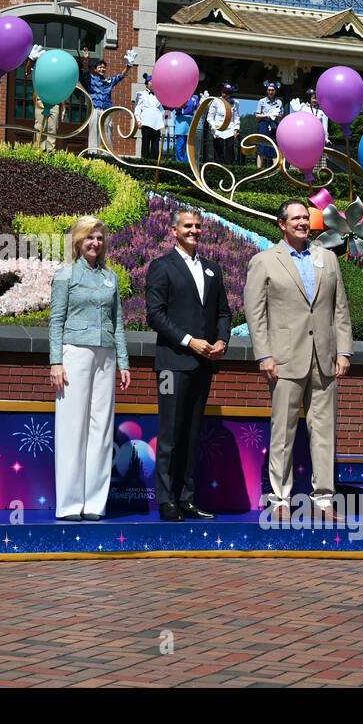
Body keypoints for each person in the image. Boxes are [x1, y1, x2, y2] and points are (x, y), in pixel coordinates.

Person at [243, 199, 353, 523]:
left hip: (325, 360)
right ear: (282, 224)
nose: (303, 223)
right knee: (283, 432)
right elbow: (256, 314)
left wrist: (344, 351)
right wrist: (264, 355)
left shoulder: (328, 259)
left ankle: (324, 501)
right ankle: (279, 498)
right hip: (284, 359)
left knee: (324, 432)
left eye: (306, 217)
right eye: (296, 218)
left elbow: (340, 309)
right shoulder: (264, 261)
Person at [145, 207, 231, 522]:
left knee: (193, 434)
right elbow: (155, 314)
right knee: (170, 432)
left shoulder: (213, 269)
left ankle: (187, 498)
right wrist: (189, 341)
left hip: (203, 365)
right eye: (187, 226)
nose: (193, 230)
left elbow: (223, 312)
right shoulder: (161, 267)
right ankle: (167, 500)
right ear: (174, 231)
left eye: (197, 226)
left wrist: (222, 341)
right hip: (172, 364)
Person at [48, 216, 130, 521]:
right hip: (75, 353)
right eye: (89, 238)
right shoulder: (66, 275)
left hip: (106, 354)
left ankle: (95, 503)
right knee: (72, 427)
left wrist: (123, 360)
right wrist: (56, 361)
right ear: (78, 241)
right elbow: (56, 321)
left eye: (99, 238)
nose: (95, 243)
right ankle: (69, 505)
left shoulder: (111, 277)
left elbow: (118, 322)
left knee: (101, 428)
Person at [80, 47, 135, 152]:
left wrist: (129, 65)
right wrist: (86, 60)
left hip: (107, 111)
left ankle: (107, 156)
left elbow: (120, 76)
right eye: (100, 67)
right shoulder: (90, 79)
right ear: (95, 69)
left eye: (104, 67)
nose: (102, 69)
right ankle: (93, 154)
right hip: (95, 110)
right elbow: (85, 71)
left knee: (107, 133)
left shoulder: (108, 81)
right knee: (94, 132)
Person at [133, 74, 165, 161]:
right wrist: (138, 120)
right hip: (146, 122)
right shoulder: (141, 94)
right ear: (147, 83)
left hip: (156, 123)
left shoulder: (159, 96)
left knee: (155, 147)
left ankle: (154, 164)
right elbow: (137, 109)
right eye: (151, 82)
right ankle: (144, 162)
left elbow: (162, 108)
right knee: (145, 144)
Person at [207, 83, 240, 164]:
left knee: (230, 148)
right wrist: (214, 126)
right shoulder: (215, 101)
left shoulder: (235, 102)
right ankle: (217, 167)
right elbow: (210, 117)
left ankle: (230, 167)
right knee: (218, 150)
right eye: (224, 92)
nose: (225, 94)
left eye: (228, 92)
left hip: (230, 129)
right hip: (218, 128)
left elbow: (236, 117)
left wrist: (236, 128)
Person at [255, 80, 282, 168]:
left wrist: (276, 115)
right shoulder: (261, 101)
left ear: (275, 91)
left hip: (274, 126)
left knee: (274, 148)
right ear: (267, 91)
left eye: (272, 90)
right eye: (269, 90)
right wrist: (267, 115)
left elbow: (281, 116)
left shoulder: (279, 102)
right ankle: (258, 170)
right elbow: (257, 116)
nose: (270, 92)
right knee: (261, 147)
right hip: (263, 125)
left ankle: (275, 170)